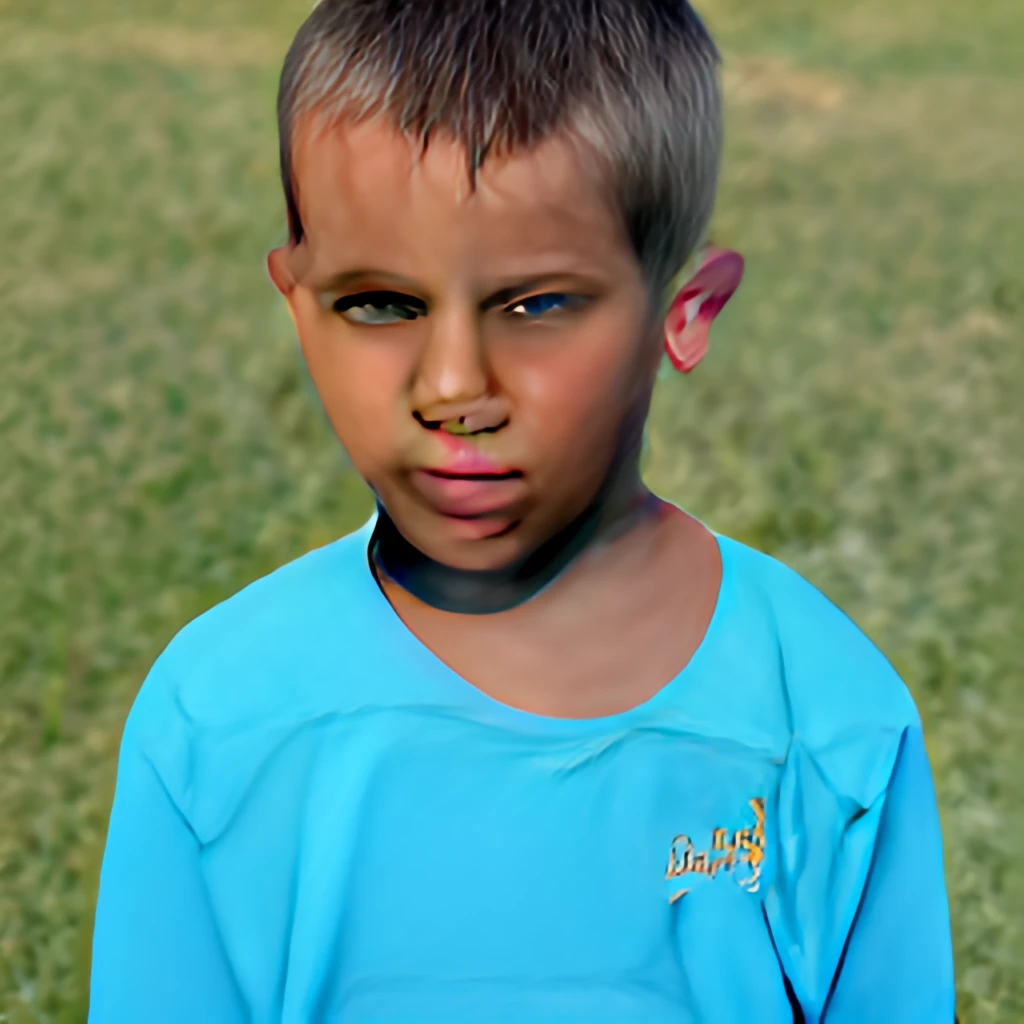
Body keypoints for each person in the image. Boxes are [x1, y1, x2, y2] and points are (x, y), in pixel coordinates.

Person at [88, 1, 955, 1021]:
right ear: (297, 299)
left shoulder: (825, 716)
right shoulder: (217, 714)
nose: (454, 387)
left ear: (684, 312)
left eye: (536, 305)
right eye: (381, 304)